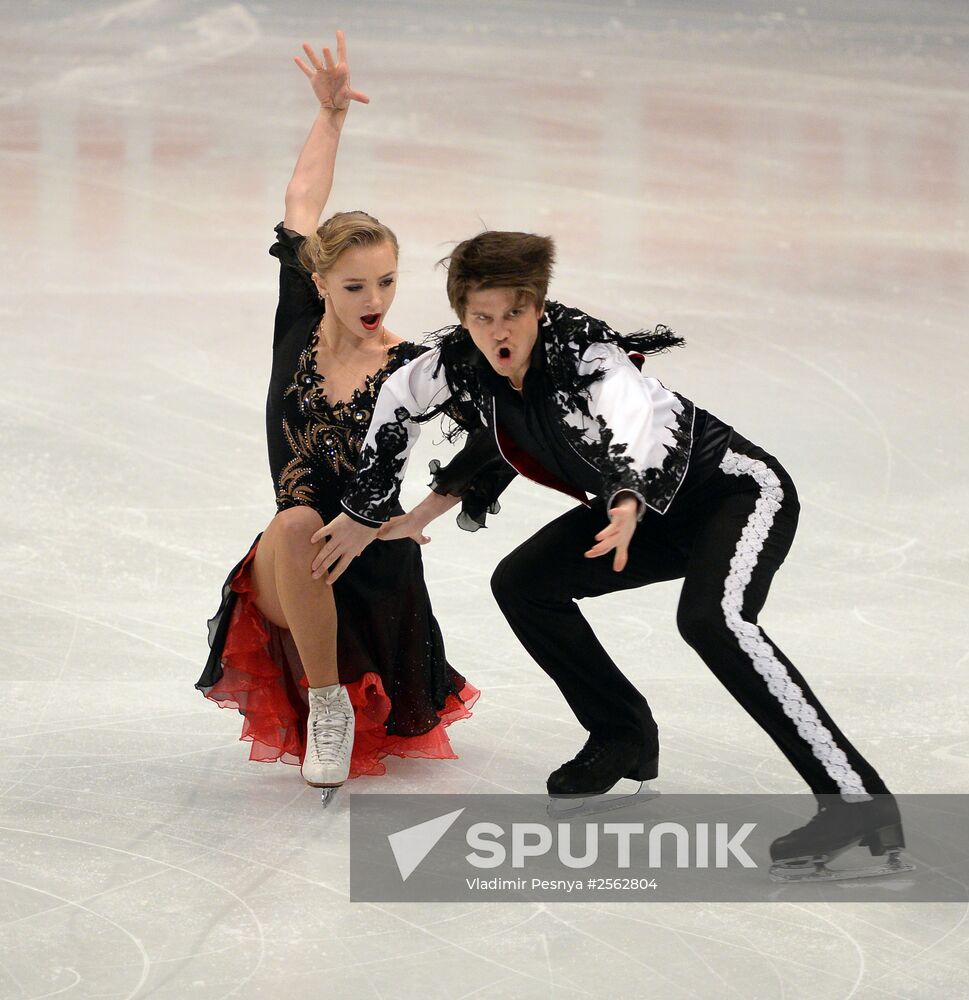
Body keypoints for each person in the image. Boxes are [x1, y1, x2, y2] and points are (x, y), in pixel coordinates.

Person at [310, 229, 907, 875]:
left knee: (712, 620)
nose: (498, 330)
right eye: (481, 317)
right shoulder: (463, 363)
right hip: (643, 518)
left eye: (513, 312)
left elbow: (632, 424)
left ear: (537, 306)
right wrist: (372, 513)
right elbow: (430, 414)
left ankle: (856, 799)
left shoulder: (586, 354)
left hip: (732, 494)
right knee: (525, 583)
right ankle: (623, 733)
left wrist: (624, 502)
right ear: (463, 316)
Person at [196, 33, 478, 793]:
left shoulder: (414, 363)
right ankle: (329, 706)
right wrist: (330, 118)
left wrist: (424, 513)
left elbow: (495, 439)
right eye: (355, 286)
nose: (375, 301)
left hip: (372, 568)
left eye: (385, 282)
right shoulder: (296, 321)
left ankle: (342, 688)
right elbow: (300, 202)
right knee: (291, 521)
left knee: (302, 526)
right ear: (319, 282)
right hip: (293, 566)